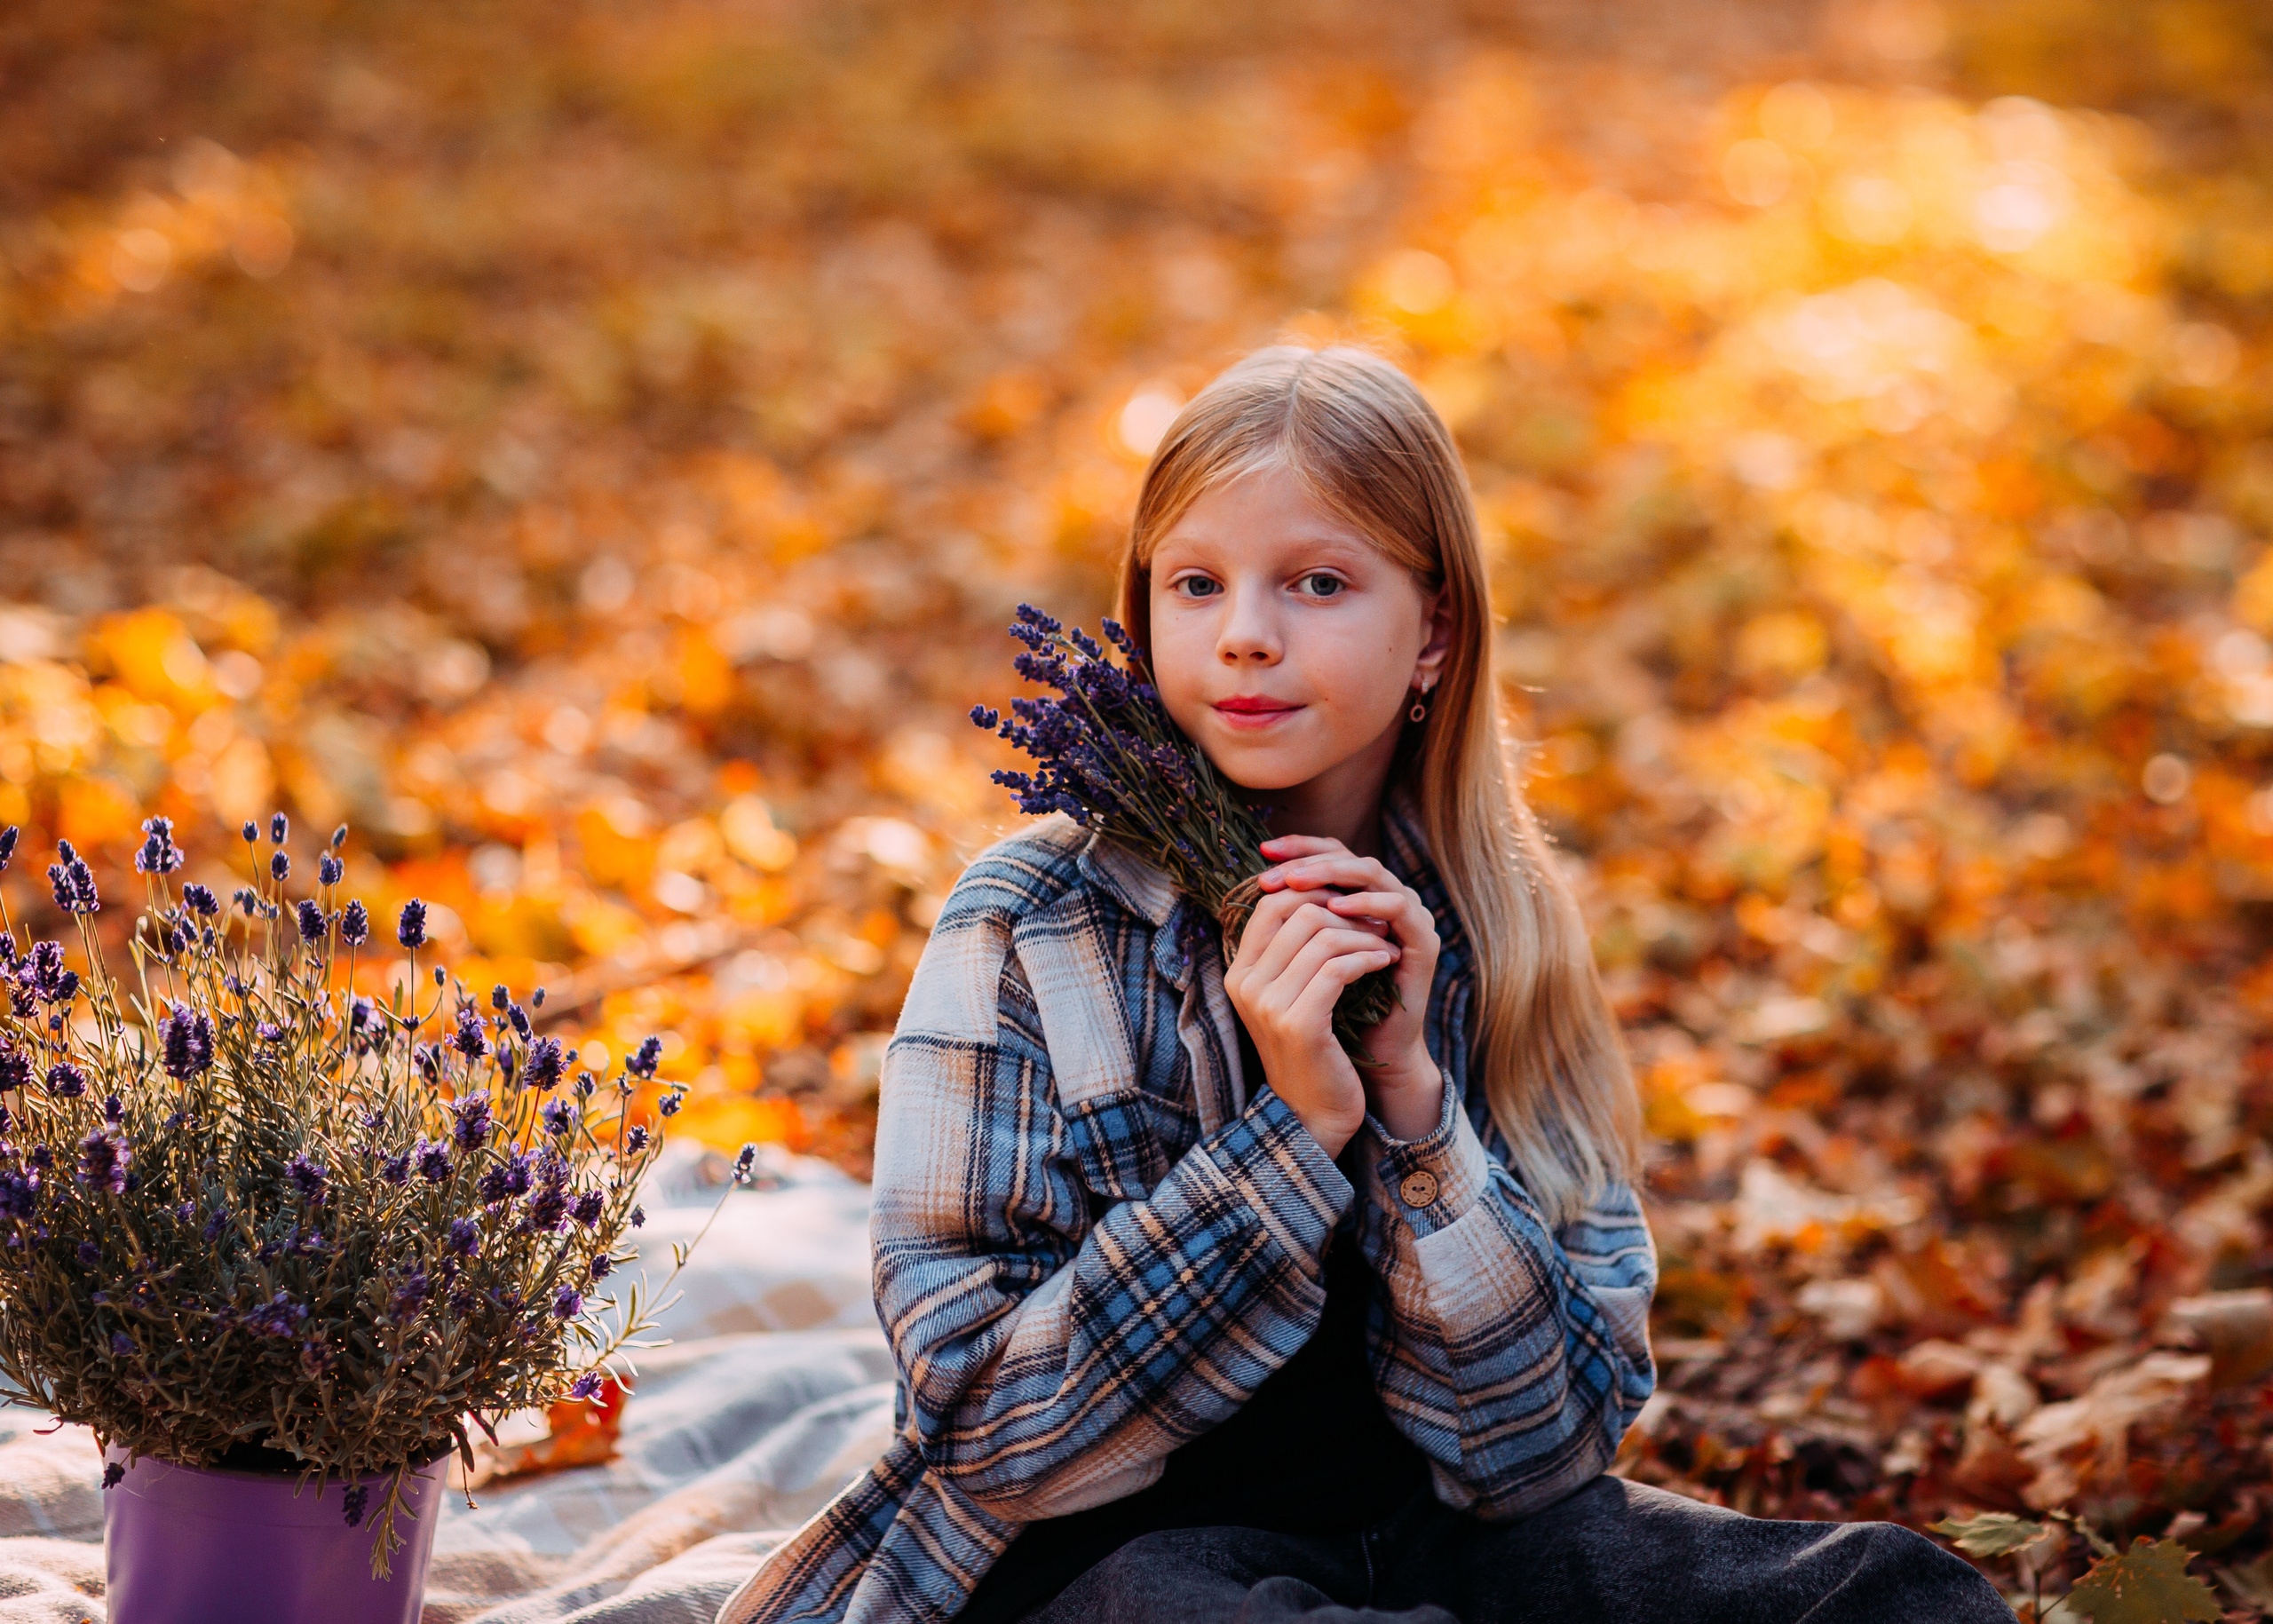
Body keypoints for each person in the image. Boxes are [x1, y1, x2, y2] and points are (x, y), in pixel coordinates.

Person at [716, 346, 2008, 1624]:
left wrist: (1410, 1102)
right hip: (1115, 1570)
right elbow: (983, 1428)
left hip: (1429, 1547)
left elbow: (1545, 1455)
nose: (1246, 637)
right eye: (1197, 584)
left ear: (1435, 628)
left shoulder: (1499, 929)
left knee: (1893, 1593)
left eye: (1318, 582)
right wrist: (1293, 1133)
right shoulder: (1035, 927)